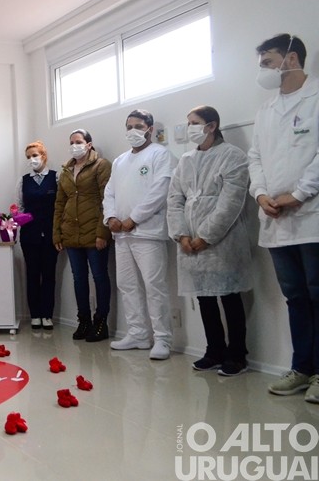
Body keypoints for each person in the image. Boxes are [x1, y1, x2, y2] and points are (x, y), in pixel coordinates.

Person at [248, 34, 319, 402]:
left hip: (311, 217)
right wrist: (261, 194)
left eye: (268, 61)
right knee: (294, 297)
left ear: (291, 58)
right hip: (275, 219)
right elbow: (255, 158)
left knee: (317, 294)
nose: (263, 70)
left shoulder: (316, 98)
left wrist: (299, 193)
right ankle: (302, 368)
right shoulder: (266, 109)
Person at [168, 106, 251, 376]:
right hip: (189, 241)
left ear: (212, 126)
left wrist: (205, 237)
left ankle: (237, 354)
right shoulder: (186, 160)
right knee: (204, 298)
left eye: (195, 122)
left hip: (222, 242)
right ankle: (214, 350)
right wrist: (182, 235)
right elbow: (175, 199)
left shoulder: (232, 156)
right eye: (188, 121)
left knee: (229, 296)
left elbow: (230, 203)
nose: (190, 126)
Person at [103, 109, 174, 360]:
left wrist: (133, 219)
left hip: (148, 233)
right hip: (121, 235)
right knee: (127, 285)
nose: (132, 131)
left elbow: (160, 191)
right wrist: (111, 217)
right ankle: (138, 334)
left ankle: (162, 339)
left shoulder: (161, 155)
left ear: (150, 129)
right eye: (129, 126)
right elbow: (109, 192)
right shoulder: (120, 160)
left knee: (154, 286)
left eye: (138, 126)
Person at [53, 129, 112, 342]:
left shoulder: (101, 165)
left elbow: (108, 198)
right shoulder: (66, 170)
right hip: (70, 233)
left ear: (89, 144)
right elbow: (60, 203)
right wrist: (57, 234)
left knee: (99, 277)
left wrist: (103, 232)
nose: (74, 145)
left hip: (94, 232)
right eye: (71, 142)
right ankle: (84, 320)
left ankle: (101, 322)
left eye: (78, 141)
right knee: (79, 279)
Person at [15, 140, 58, 329]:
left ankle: (47, 314)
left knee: (49, 274)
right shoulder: (23, 180)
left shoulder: (56, 178)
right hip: (29, 235)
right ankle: (35, 314)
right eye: (28, 157)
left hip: (50, 234)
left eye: (35, 155)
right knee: (32, 274)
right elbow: (20, 207)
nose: (32, 159)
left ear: (43, 156)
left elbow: (60, 206)